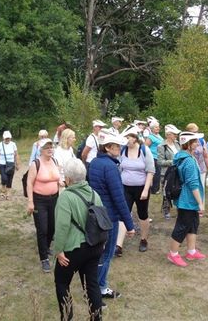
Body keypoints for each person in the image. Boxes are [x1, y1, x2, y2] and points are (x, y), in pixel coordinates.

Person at [53, 158, 104, 321]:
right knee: (92, 285)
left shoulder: (65, 197)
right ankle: (96, 318)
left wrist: (58, 250)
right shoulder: (94, 193)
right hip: (94, 246)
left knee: (62, 282)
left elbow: (61, 226)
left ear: (68, 179)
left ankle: (67, 317)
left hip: (73, 250)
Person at [88, 129, 135, 300]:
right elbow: (119, 198)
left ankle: (93, 285)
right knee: (106, 254)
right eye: (117, 146)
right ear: (107, 148)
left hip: (95, 213)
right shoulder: (110, 167)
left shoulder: (94, 162)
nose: (120, 149)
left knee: (97, 253)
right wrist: (129, 225)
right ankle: (98, 288)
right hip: (108, 217)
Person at [166, 131, 206, 267]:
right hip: (187, 200)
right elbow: (192, 183)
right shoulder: (188, 161)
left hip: (188, 199)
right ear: (188, 144)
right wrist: (200, 203)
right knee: (182, 226)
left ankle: (191, 251)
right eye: (195, 141)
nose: (198, 143)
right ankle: (173, 254)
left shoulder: (181, 156)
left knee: (193, 224)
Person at [115, 125, 155, 255]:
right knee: (123, 213)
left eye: (128, 137)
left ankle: (143, 239)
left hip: (141, 188)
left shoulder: (145, 150)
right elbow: (120, 168)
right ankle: (118, 245)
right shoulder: (122, 150)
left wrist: (145, 190)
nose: (126, 140)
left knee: (142, 214)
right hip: (125, 187)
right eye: (125, 137)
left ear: (135, 138)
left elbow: (150, 171)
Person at [26, 138, 61, 273]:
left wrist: (61, 184)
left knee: (52, 227)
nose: (50, 149)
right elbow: (29, 183)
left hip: (54, 198)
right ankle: (44, 258)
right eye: (47, 148)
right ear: (41, 150)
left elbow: (58, 178)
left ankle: (46, 247)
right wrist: (30, 201)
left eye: (51, 147)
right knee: (42, 229)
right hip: (39, 200)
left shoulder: (55, 161)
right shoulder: (36, 164)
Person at [158, 124, 181, 220]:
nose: (175, 136)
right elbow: (160, 161)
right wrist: (173, 161)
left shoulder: (178, 144)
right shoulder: (162, 146)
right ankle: (166, 211)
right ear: (168, 135)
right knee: (166, 192)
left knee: (178, 190)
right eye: (174, 134)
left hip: (178, 171)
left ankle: (180, 210)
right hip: (167, 173)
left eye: (176, 134)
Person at [185, 123, 208, 194]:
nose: (196, 133)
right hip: (191, 169)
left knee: (201, 189)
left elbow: (206, 156)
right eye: (194, 132)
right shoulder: (185, 142)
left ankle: (201, 204)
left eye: (197, 131)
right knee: (192, 189)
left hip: (202, 169)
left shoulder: (201, 141)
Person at [0, 131, 20, 200]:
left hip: (11, 164)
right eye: (6, 138)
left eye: (8, 138)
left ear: (10, 138)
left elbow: (16, 154)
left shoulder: (13, 144)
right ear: (3, 138)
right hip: (2, 164)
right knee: (4, 178)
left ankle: (8, 193)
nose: (7, 139)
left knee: (9, 179)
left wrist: (17, 164)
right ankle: (3, 190)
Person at [144, 120, 163, 194]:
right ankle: (153, 189)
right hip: (153, 157)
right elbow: (146, 146)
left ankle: (155, 188)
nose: (157, 128)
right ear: (152, 129)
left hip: (159, 156)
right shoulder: (150, 137)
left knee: (158, 173)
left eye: (158, 127)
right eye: (156, 127)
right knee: (154, 173)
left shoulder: (159, 136)